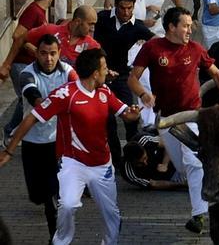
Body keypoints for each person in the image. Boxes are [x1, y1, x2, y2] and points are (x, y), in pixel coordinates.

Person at [0, 48, 141, 245]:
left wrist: (134, 113)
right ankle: (61, 241)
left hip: (102, 166)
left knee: (111, 215)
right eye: (104, 68)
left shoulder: (105, 91)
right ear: (94, 73)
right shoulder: (65, 94)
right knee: (67, 205)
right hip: (73, 164)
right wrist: (9, 150)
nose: (107, 71)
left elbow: (126, 113)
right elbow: (32, 118)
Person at [128, 6, 219, 233]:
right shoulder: (152, 48)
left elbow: (216, 73)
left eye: (190, 26)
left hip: (193, 116)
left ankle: (198, 216)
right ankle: (213, 183)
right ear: (171, 27)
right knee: (185, 167)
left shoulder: (195, 49)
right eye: (185, 25)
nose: (189, 30)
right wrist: (144, 94)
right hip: (166, 120)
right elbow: (132, 78)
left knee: (194, 161)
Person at [13, 34, 78, 242]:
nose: (48, 59)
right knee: (37, 196)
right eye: (43, 53)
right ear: (36, 54)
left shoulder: (68, 72)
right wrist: (48, 105)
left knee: (53, 196)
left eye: (53, 54)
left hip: (58, 143)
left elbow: (81, 88)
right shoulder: (27, 73)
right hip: (33, 143)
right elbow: (32, 94)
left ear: (59, 53)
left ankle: (55, 238)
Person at [94, 0, 156, 167]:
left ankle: (134, 155)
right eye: (122, 8)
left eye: (130, 8)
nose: (126, 13)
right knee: (108, 122)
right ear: (116, 6)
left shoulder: (137, 26)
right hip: (100, 78)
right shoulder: (103, 18)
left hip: (121, 77)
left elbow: (156, 43)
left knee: (131, 115)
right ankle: (116, 161)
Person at [0, 0, 54, 147]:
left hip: (27, 64)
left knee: (27, 99)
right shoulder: (34, 11)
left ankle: (15, 131)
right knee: (25, 99)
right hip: (21, 64)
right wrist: (37, 52)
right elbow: (18, 35)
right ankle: (10, 131)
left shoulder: (38, 11)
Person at [26, 6, 101, 66]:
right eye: (90, 24)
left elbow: (99, 69)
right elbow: (20, 38)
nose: (93, 29)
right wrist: (37, 52)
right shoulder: (50, 30)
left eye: (94, 24)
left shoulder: (93, 46)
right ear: (78, 21)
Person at [121, 134, 187, 190]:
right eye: (140, 163)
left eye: (145, 158)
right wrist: (183, 184)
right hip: (167, 179)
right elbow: (154, 184)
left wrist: (165, 164)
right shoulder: (128, 173)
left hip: (175, 159)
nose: (145, 163)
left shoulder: (146, 141)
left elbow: (167, 143)